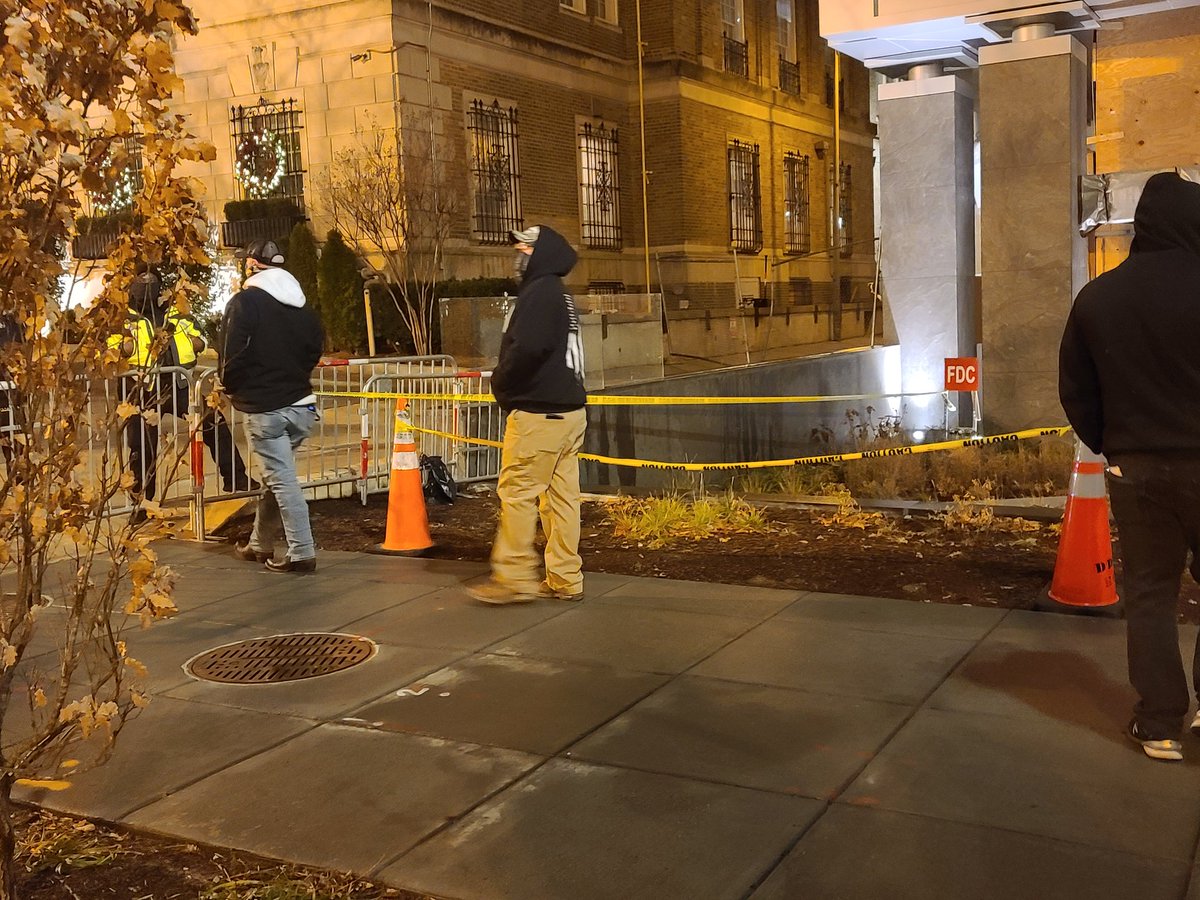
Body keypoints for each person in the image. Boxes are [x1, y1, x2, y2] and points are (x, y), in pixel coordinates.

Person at [1059, 171, 1200, 762]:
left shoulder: (1100, 296)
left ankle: (1160, 722)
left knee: (1149, 594)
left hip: (1137, 468)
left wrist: (1115, 446)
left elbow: (1076, 390)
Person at [468, 225, 588, 605]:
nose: (517, 255)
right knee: (562, 499)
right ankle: (566, 578)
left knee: (518, 494)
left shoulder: (539, 293)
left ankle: (514, 577)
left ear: (540, 253)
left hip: (540, 415)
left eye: (523, 248)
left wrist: (502, 384)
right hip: (570, 413)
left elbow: (528, 349)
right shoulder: (561, 295)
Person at [109, 271, 254, 519]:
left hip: (178, 385)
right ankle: (142, 503)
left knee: (213, 424)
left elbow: (200, 340)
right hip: (141, 391)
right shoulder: (121, 319)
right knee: (142, 447)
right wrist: (124, 348)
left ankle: (237, 479)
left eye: (152, 284)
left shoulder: (177, 313)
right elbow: (112, 351)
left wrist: (196, 343)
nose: (148, 289)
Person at [221, 238, 323, 574]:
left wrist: (233, 387)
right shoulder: (302, 306)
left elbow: (230, 354)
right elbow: (314, 351)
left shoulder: (244, 303)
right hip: (302, 406)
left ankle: (302, 551)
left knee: (282, 480)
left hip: (265, 409)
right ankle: (258, 544)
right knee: (275, 475)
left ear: (251, 266)